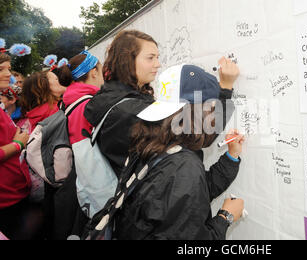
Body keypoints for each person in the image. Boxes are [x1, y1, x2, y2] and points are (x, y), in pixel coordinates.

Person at [113, 64, 245, 240]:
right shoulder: (183, 166)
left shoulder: (151, 143)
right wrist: (225, 217)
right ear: (199, 114)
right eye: (211, 109)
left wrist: (231, 157)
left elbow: (188, 194)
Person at [84, 30, 239, 178]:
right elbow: (198, 135)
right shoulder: (132, 111)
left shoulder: (110, 97)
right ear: (127, 61)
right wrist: (225, 90)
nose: (158, 64)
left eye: (157, 57)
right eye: (150, 58)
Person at [48, 51, 104, 240]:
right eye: (101, 69)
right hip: (85, 181)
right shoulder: (87, 103)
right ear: (94, 72)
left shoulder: (70, 98)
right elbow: (86, 152)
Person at [0, 50, 43, 240]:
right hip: (6, 200)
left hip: (15, 193)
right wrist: (18, 144)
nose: (8, 74)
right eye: (1, 69)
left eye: (8, 68)